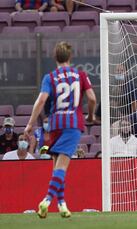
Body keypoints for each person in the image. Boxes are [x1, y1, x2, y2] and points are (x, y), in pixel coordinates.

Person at [24, 41, 96, 218]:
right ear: (70, 57)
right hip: (72, 123)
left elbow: (41, 101)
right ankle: (46, 201)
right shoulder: (81, 75)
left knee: (56, 166)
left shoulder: (50, 77)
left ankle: (62, 205)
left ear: (54, 57)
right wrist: (91, 116)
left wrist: (30, 124)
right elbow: (92, 98)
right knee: (62, 167)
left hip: (55, 123)